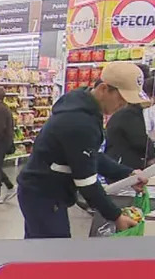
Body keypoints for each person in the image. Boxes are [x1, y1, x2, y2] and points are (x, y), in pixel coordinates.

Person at [17, 62, 148, 239]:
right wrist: (115, 216)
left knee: (41, 250)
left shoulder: (85, 109)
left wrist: (127, 174)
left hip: (45, 192)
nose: (123, 105)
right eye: (121, 99)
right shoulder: (80, 122)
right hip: (43, 194)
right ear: (103, 89)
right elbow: (86, 182)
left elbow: (90, 155)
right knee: (53, 254)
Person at [104, 72, 153, 170]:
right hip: (122, 168)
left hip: (122, 167)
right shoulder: (129, 115)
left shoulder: (132, 113)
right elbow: (141, 141)